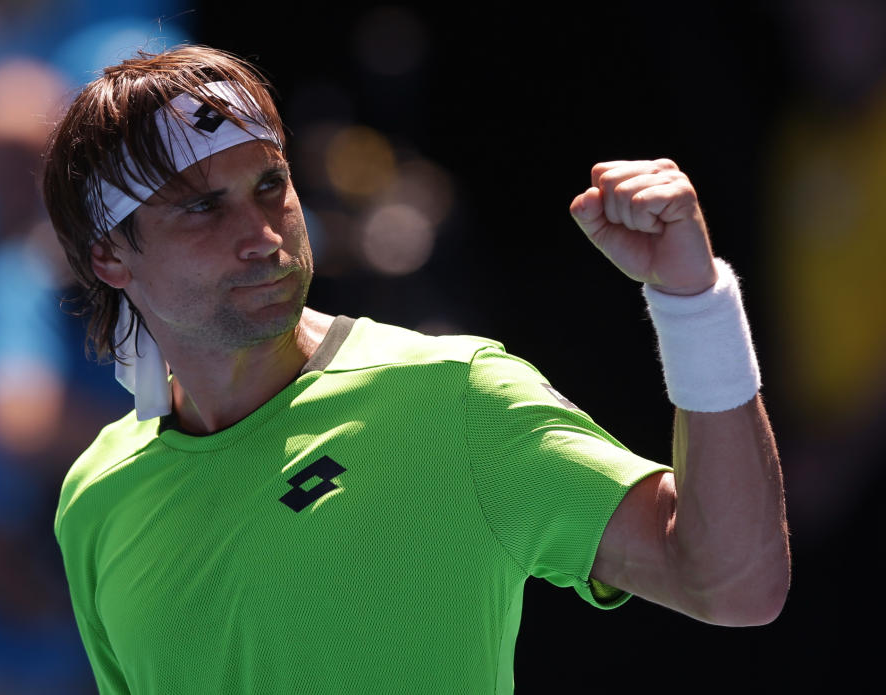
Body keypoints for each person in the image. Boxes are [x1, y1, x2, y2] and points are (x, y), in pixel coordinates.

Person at [42, 45, 790, 694]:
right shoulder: (95, 497)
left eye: (271, 185)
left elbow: (732, 584)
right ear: (109, 255)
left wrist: (694, 302)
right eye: (204, 207)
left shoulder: (457, 395)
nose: (263, 234)